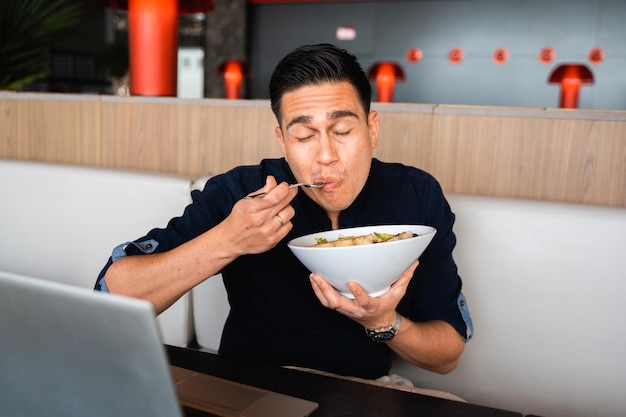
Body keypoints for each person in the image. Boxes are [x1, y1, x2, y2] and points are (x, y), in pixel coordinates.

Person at [95, 43, 473, 380]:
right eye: (304, 136)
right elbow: (112, 297)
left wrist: (382, 322)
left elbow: (447, 355)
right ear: (283, 141)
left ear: (372, 129)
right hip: (249, 387)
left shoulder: (416, 195)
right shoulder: (242, 193)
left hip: (365, 394)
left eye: (342, 130)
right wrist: (228, 239)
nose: (326, 155)